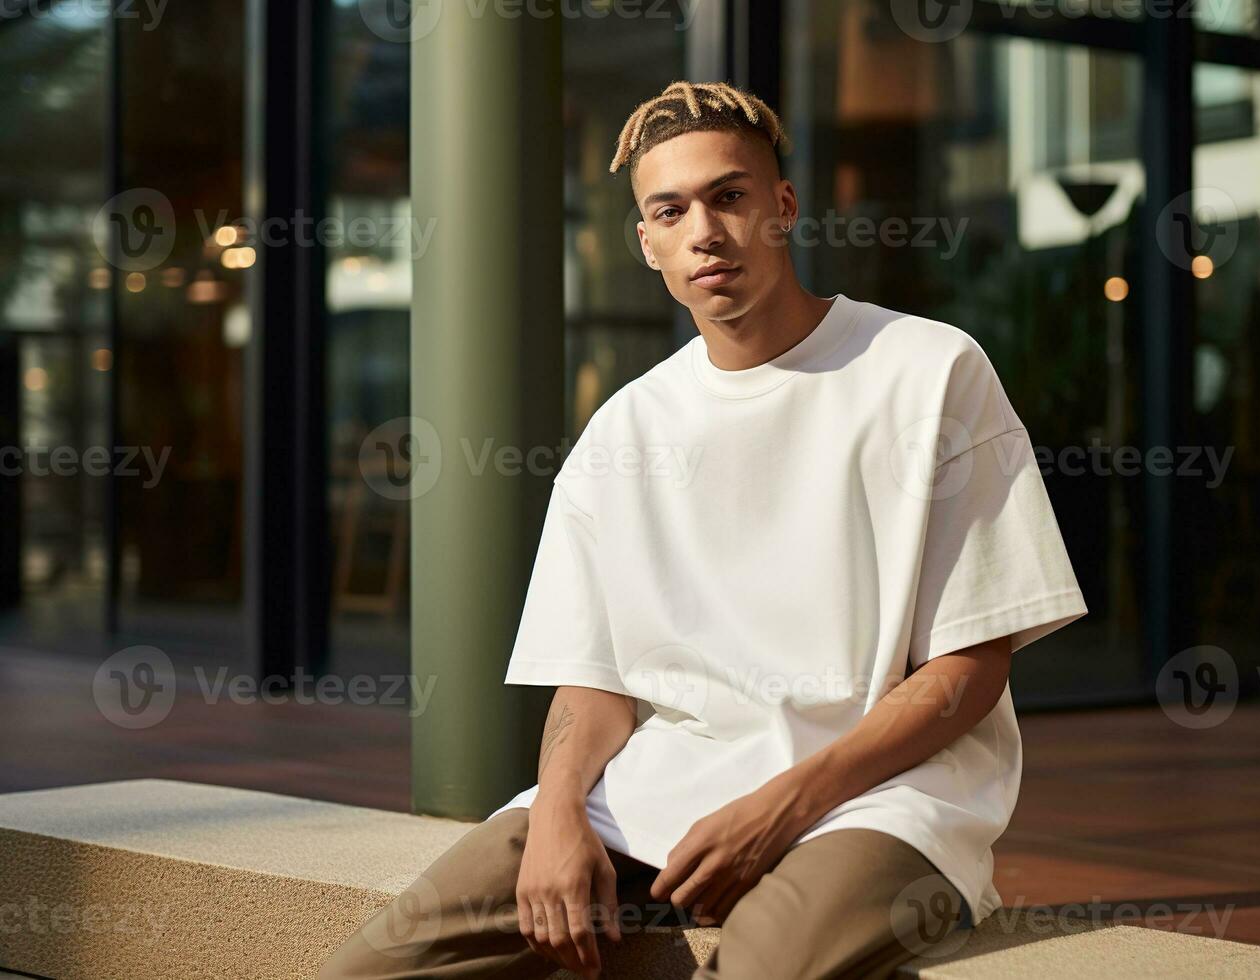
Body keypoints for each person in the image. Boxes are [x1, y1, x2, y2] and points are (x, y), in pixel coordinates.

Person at [320, 79, 1086, 980]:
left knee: (759, 969)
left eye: (730, 196)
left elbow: (972, 664)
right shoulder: (624, 430)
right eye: (670, 210)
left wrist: (782, 807)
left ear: (783, 207)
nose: (705, 232)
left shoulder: (928, 372)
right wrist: (559, 814)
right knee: (371, 971)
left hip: (879, 801)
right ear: (646, 242)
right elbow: (592, 684)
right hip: (653, 794)